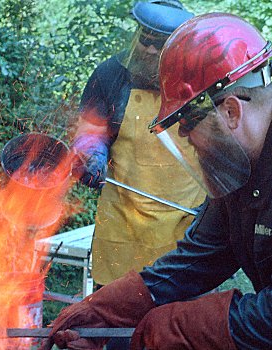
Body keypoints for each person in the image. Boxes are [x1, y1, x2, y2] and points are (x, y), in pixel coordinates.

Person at [44, 12, 272, 350]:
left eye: (188, 124)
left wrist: (186, 325)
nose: (186, 138)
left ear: (231, 112)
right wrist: (109, 309)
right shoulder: (239, 168)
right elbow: (197, 258)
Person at [72, 0, 205, 291]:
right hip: (122, 223)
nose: (150, 50)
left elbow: (221, 146)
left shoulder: (200, 81)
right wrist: (91, 153)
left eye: (160, 45)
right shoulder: (110, 75)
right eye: (145, 41)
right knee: (116, 319)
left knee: (176, 325)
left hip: (184, 226)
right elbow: (91, 129)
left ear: (177, 47)